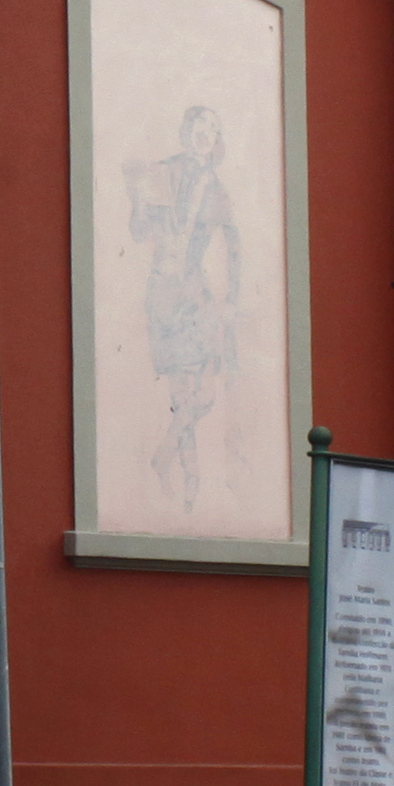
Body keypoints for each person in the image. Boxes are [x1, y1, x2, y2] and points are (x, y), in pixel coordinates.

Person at [127, 101, 246, 520]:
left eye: (212, 129)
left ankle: (163, 457)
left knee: (206, 391)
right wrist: (137, 202)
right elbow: (138, 232)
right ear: (186, 130)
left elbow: (234, 247)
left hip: (197, 295)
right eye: (199, 125)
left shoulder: (218, 189)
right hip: (163, 291)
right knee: (182, 396)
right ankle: (190, 484)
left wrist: (232, 299)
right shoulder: (160, 173)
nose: (204, 133)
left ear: (217, 141)